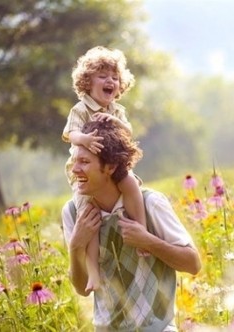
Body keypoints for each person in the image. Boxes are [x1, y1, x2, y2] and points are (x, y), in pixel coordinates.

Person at [61, 120, 201, 331]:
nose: (75, 169)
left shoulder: (150, 203)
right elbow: (83, 289)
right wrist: (75, 246)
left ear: (110, 167)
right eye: (74, 161)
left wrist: (147, 241)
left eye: (84, 162)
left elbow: (193, 264)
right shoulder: (73, 213)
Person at [62, 46, 149, 292]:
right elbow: (70, 133)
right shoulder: (80, 109)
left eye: (114, 77)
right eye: (102, 76)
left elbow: (129, 133)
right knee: (88, 217)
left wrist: (117, 122)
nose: (110, 81)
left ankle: (141, 231)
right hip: (84, 173)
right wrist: (85, 141)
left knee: (131, 184)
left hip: (114, 166)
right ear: (87, 82)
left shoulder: (117, 111)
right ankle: (94, 273)